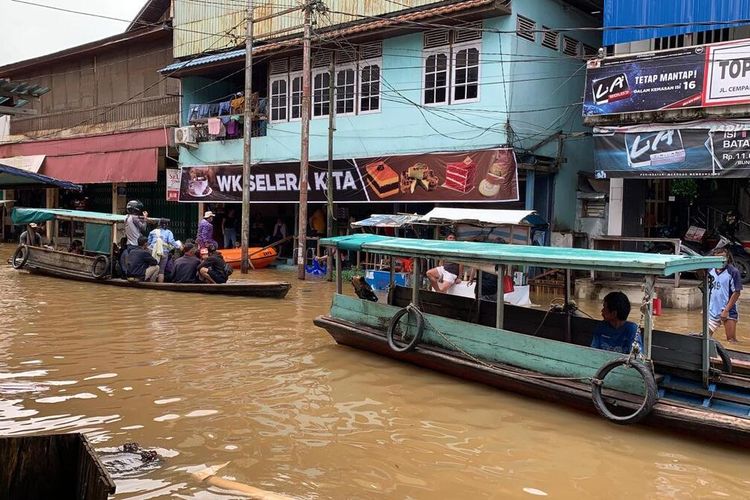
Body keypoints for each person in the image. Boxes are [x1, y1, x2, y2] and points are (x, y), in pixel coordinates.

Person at [708, 247, 742, 343]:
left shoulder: (733, 272)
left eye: (723, 257)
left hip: (728, 310)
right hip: (712, 310)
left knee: (731, 340)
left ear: (727, 258)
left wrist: (726, 310)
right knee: (705, 338)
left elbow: (737, 292)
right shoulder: (710, 269)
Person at [121, 200, 149, 275]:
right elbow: (143, 228)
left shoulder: (126, 217)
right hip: (136, 245)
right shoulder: (134, 218)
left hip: (129, 245)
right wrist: (145, 218)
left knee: (132, 262)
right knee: (139, 262)